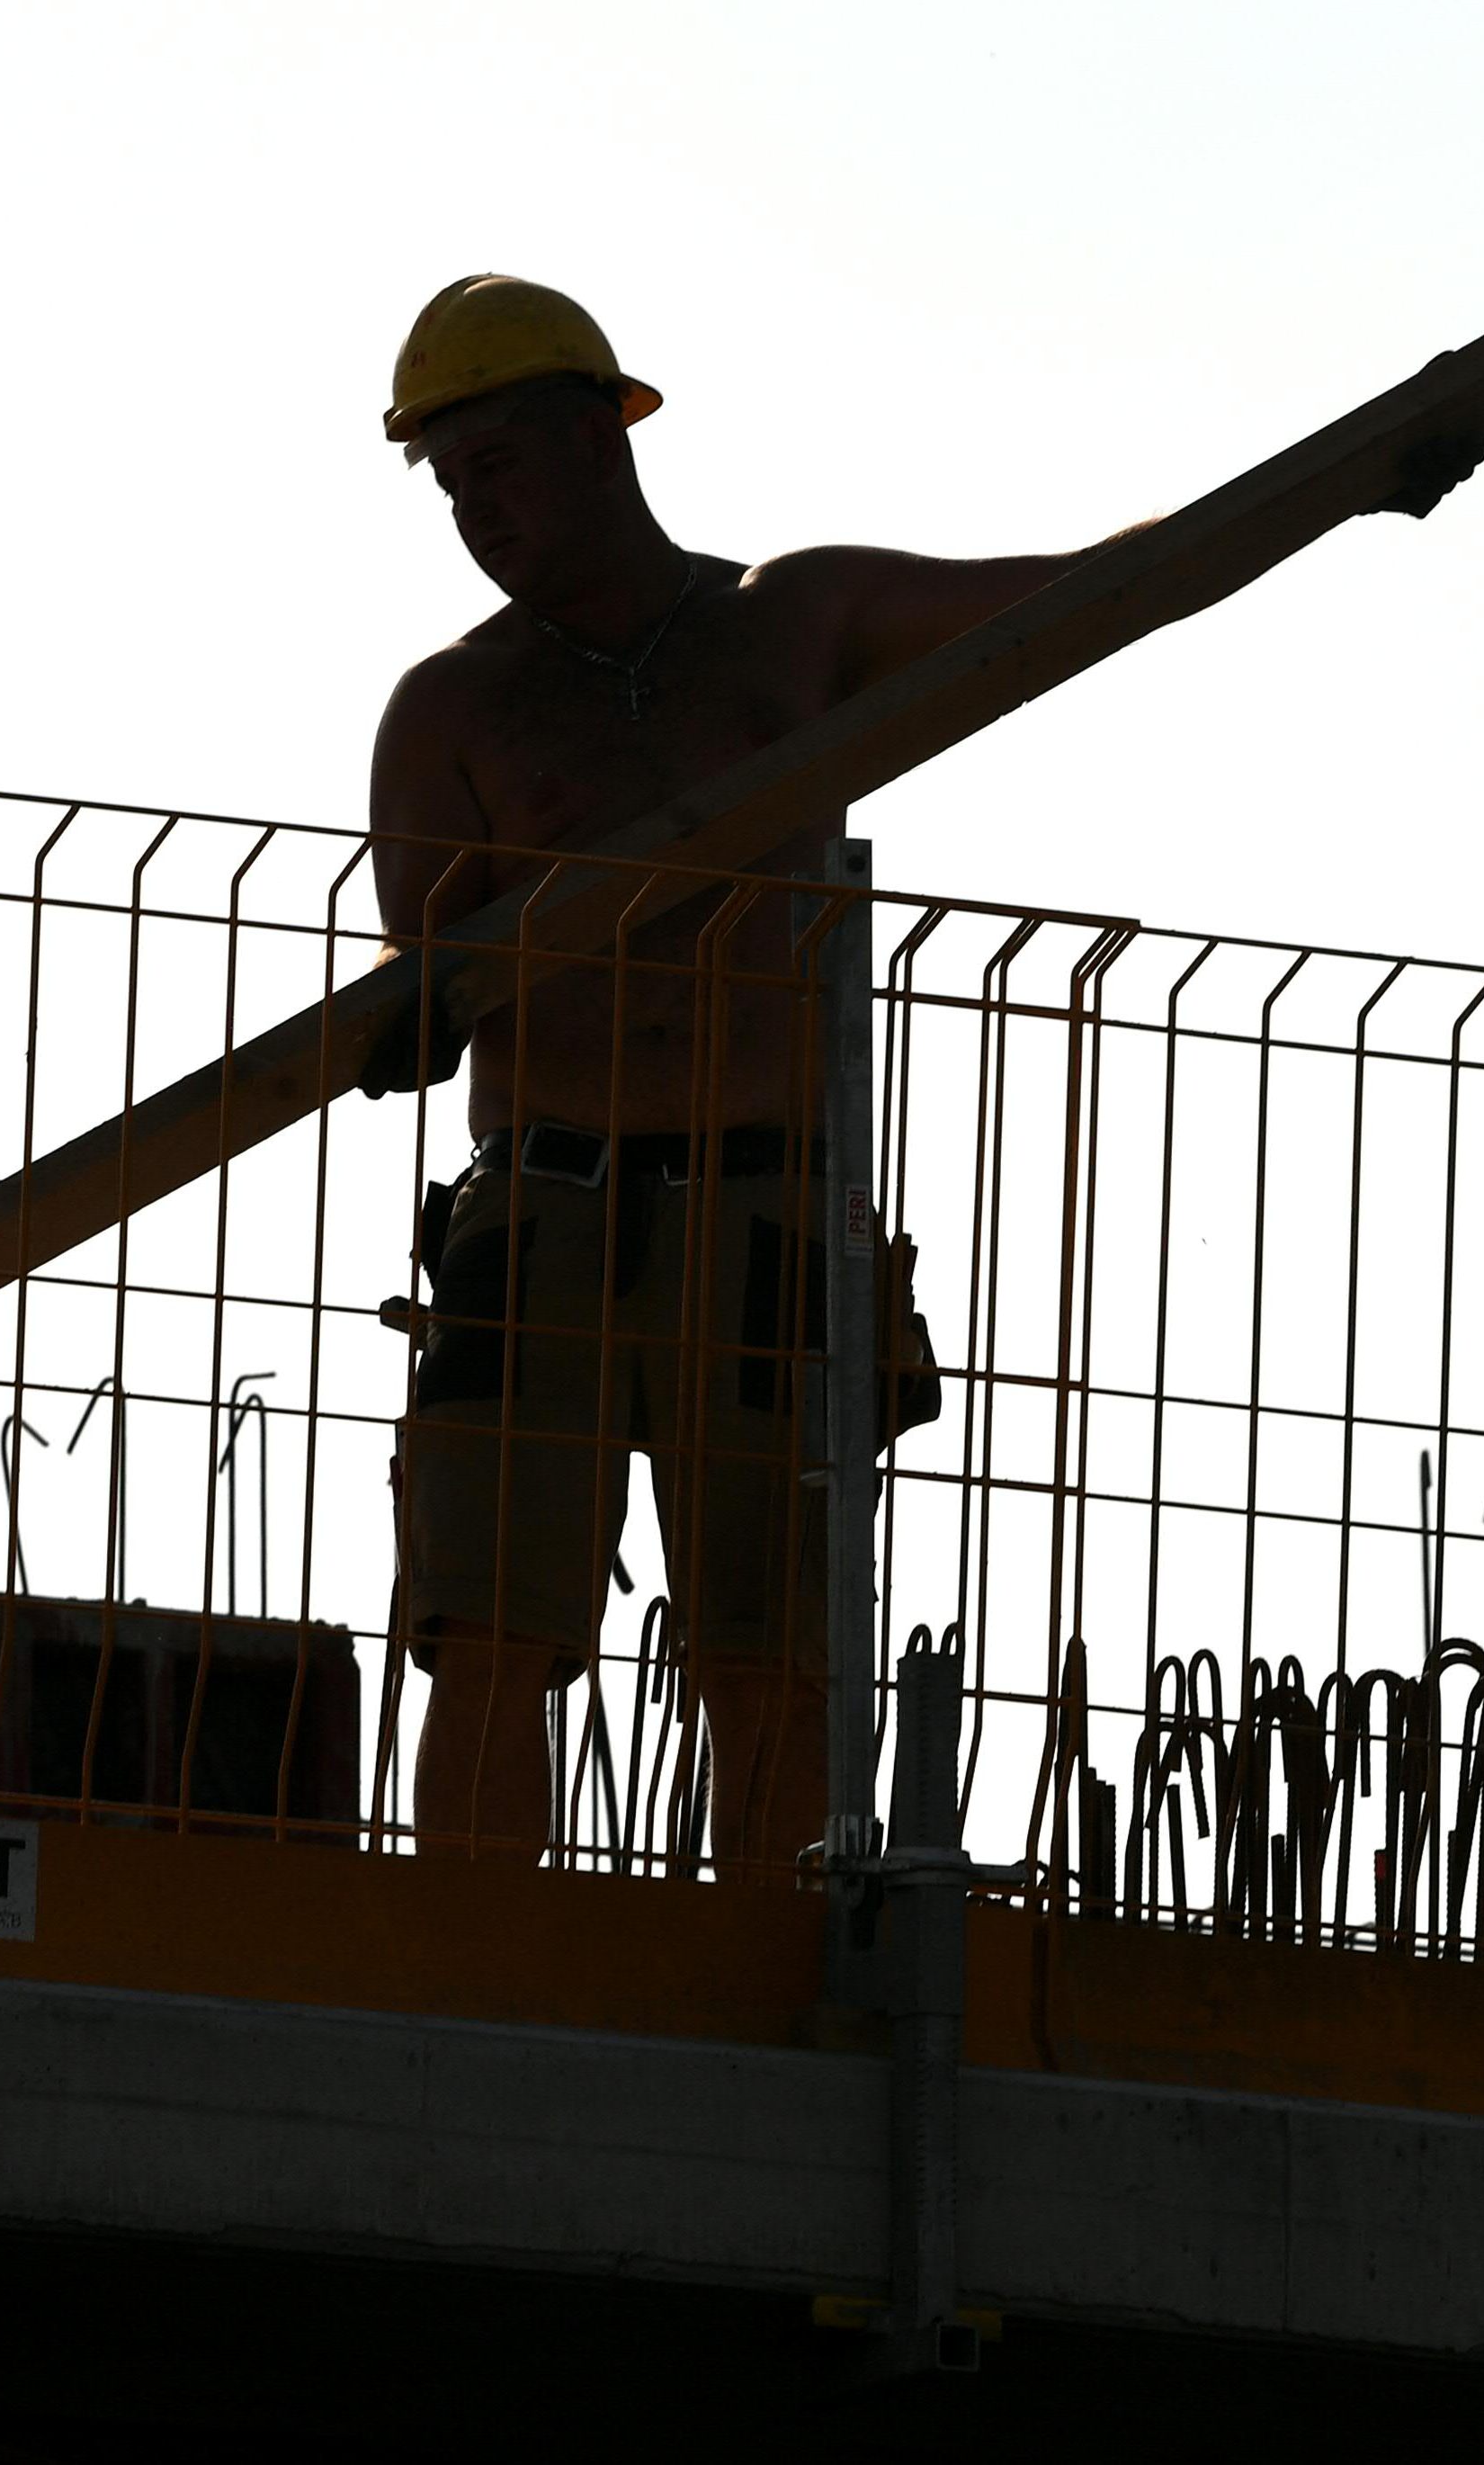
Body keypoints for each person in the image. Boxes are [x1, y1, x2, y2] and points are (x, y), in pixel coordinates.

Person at [370, 274, 1140, 1874]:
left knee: (772, 1651)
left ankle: (756, 1975)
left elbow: (1076, 599)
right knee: (490, 1633)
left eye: (496, 467)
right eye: (449, 485)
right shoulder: (455, 706)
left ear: (601, 438)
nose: (475, 513)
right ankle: (468, 1984)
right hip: (546, 1212)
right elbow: (424, 1000)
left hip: (767, 1205)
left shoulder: (794, 626)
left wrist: (1351, 495)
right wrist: (449, 985)